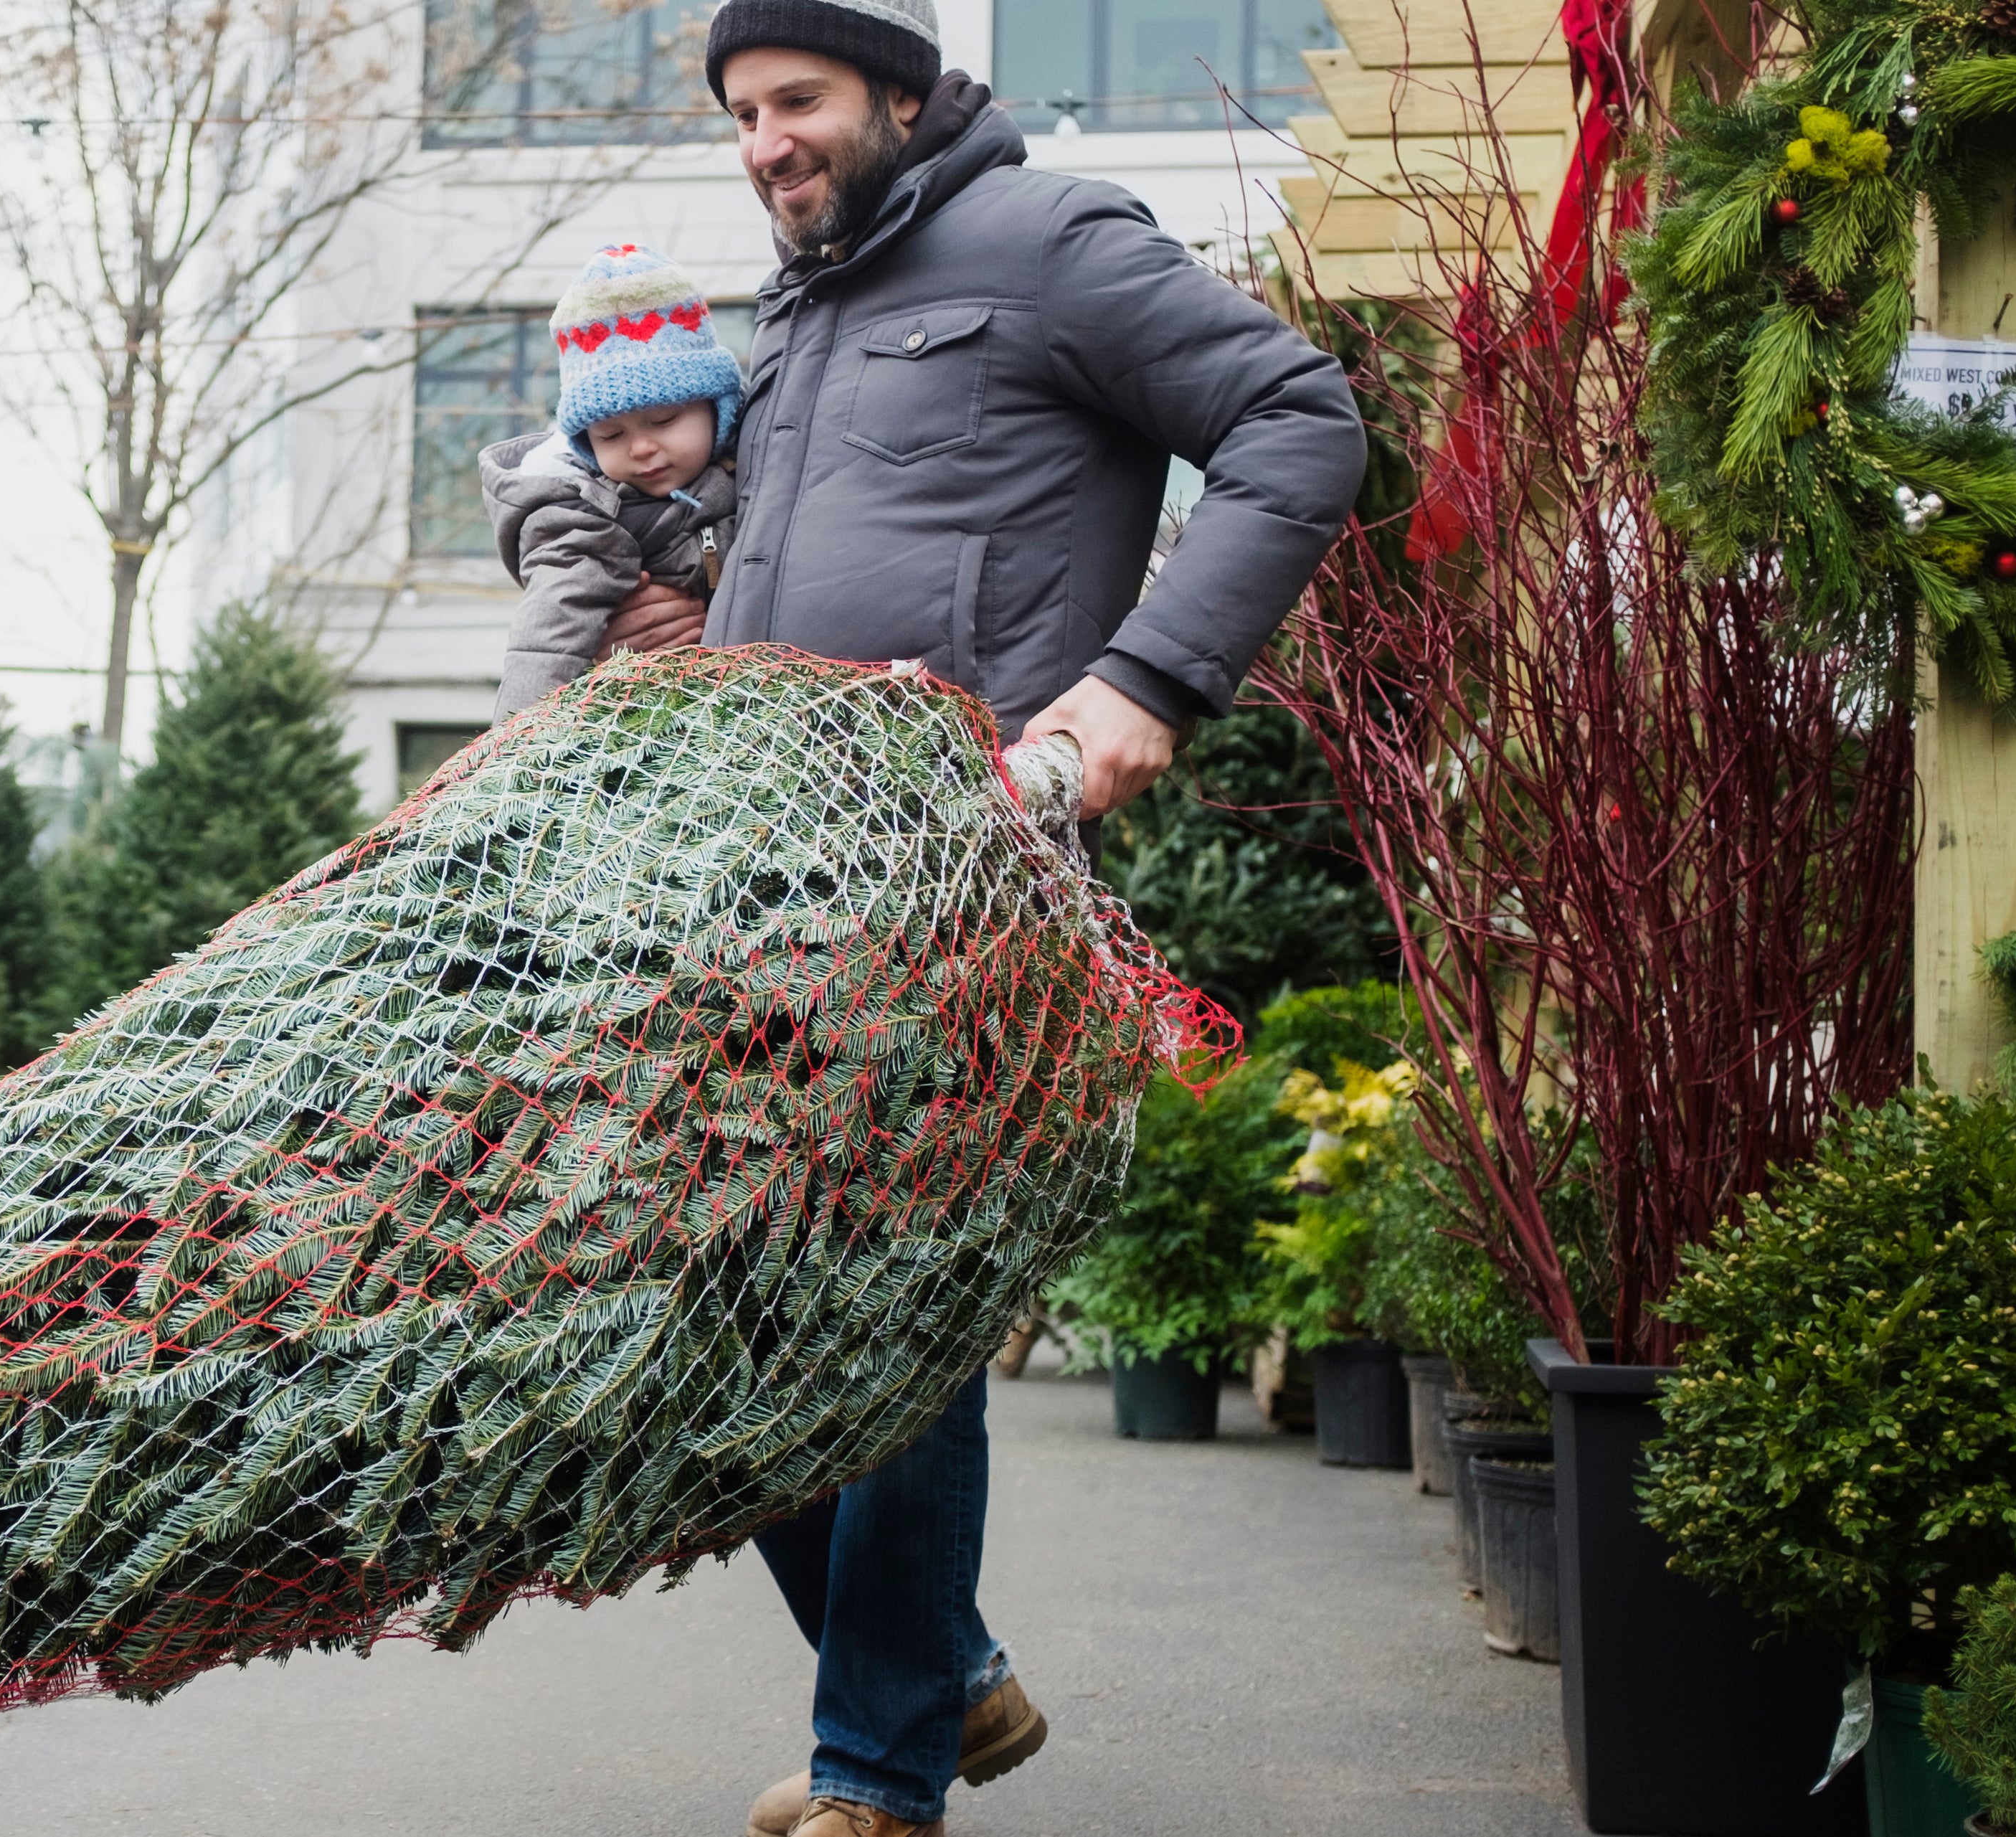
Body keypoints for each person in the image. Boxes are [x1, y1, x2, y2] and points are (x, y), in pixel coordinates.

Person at [575, 4, 1366, 1834]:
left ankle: (879, 1767)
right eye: (740, 115)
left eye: (795, 101)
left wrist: (1145, 678)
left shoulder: (1046, 238)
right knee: (714, 1302)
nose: (764, 142)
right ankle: (947, 1671)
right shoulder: (797, 306)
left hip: (962, 867)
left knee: (887, 1293)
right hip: (764, 872)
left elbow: (1295, 417)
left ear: (900, 95)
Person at [483, 243, 745, 715]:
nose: (640, 448)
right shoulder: (581, 520)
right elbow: (545, 640)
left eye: (664, 420)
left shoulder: (755, 469)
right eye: (610, 435)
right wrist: (514, 741)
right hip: (639, 722)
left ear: (718, 409)